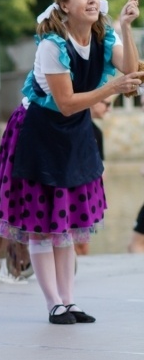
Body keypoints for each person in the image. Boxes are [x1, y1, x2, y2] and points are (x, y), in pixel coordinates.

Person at [0, 0, 142, 324]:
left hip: (73, 134)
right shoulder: (52, 45)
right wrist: (112, 89)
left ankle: (69, 302)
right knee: (43, 224)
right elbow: (68, 101)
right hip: (38, 133)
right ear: (64, 6)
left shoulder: (103, 35)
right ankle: (53, 303)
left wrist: (127, 27)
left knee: (67, 223)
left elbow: (131, 72)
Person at [74, 96, 114, 255]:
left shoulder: (96, 131)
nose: (109, 109)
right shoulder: (70, 127)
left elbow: (100, 170)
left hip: (86, 194)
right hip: (68, 189)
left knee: (83, 243)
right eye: (107, 104)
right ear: (95, 101)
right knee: (65, 240)